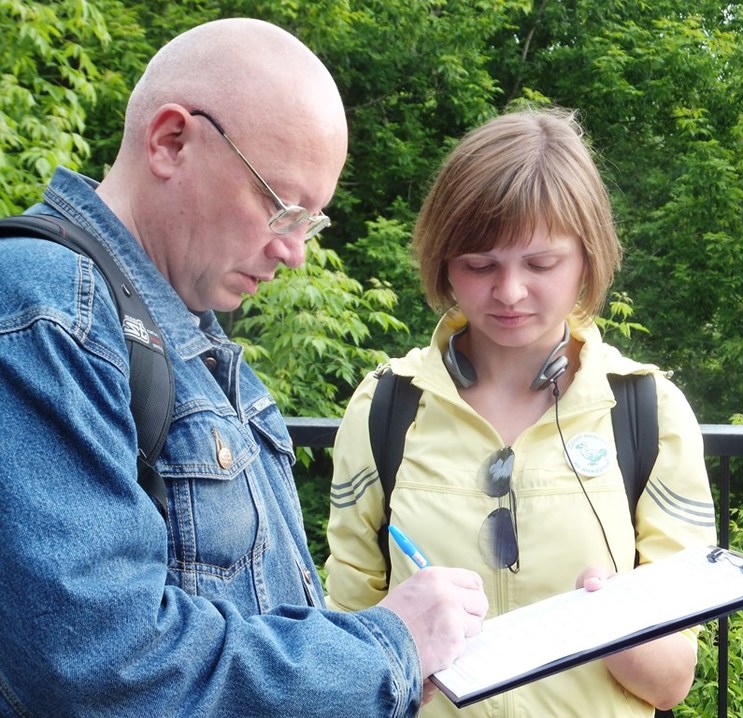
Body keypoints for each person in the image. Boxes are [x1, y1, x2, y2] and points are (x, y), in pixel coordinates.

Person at [0, 18, 488, 717]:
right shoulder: (46, 310)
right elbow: (101, 663)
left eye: (309, 224)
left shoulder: (182, 334)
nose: (294, 253)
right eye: (281, 207)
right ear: (171, 141)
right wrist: (387, 648)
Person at [324, 108, 717, 717]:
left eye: (540, 264)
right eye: (480, 264)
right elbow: (345, 642)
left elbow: (671, 683)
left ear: (588, 258)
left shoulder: (649, 414)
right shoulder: (384, 407)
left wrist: (613, 623)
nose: (509, 292)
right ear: (444, 263)